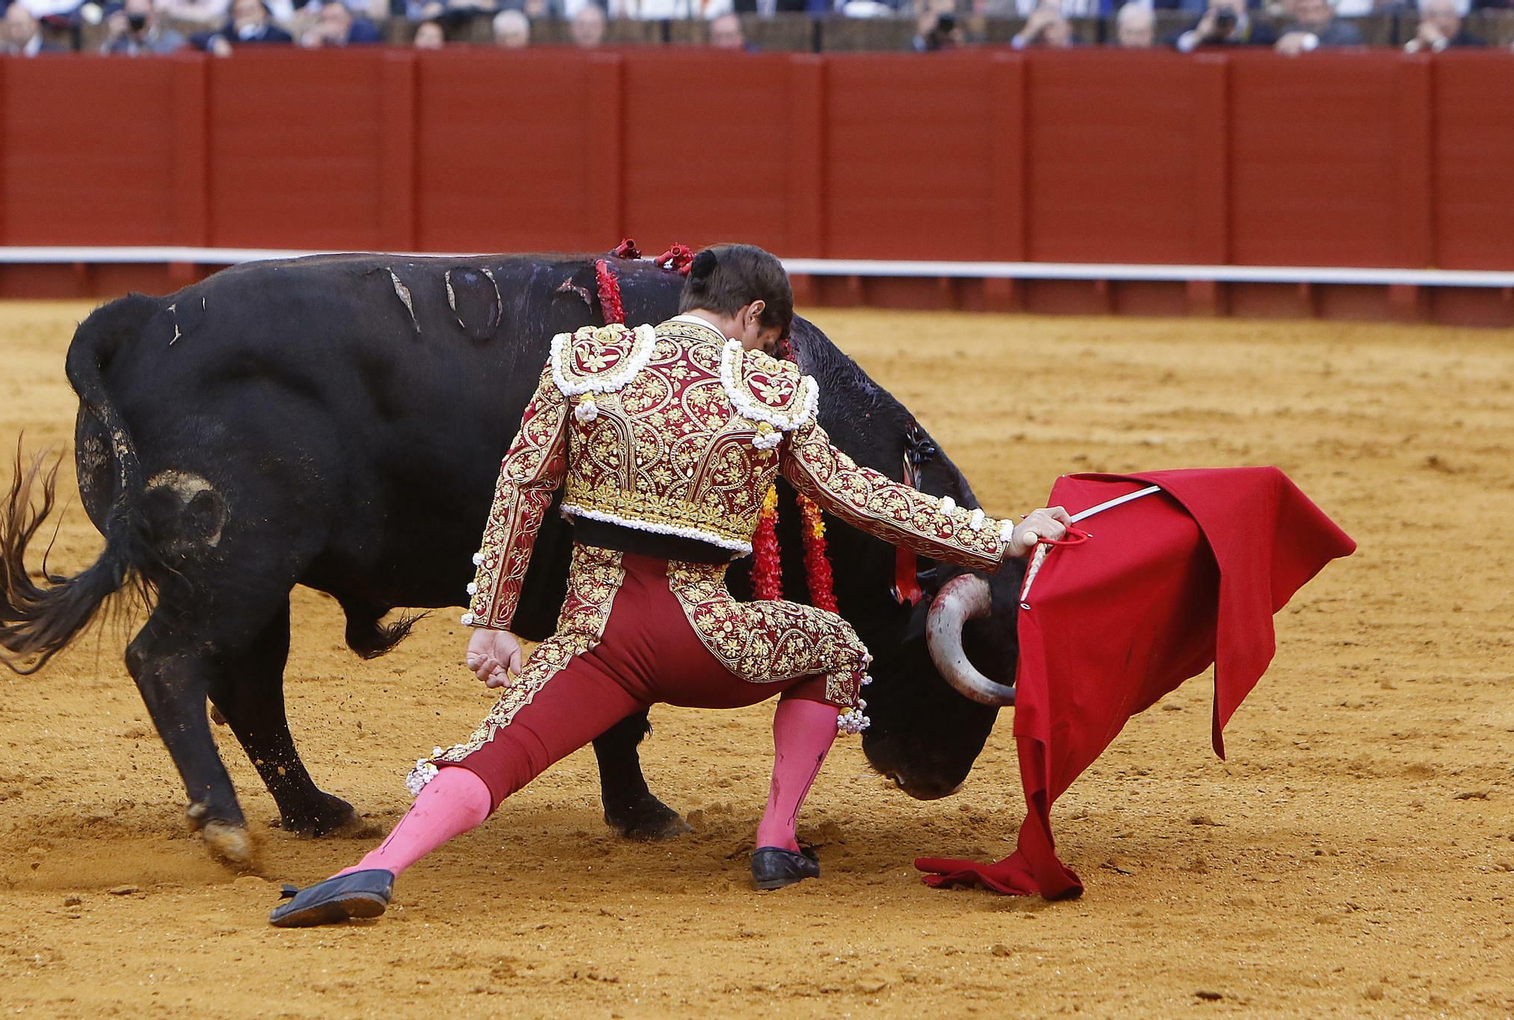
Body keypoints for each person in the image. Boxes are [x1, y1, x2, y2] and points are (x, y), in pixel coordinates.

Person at [269, 244, 1071, 927]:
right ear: (752, 316)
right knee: (836, 646)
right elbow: (860, 498)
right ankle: (777, 841)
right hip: (708, 638)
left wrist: (493, 618)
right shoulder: (768, 393)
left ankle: (376, 866)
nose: (771, 355)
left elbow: (521, 484)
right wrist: (999, 536)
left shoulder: (585, 362)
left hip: (596, 640)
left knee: (497, 754)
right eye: (772, 339)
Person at [192, 0, 292, 53]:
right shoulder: (229, 32)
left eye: (251, 10)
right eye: (240, 11)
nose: (246, 15)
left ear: (263, 12)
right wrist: (216, 42)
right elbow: (197, 36)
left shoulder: (278, 35)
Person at [1173, 0, 1275, 49]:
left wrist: (1238, 33)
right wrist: (1199, 35)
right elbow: (1173, 42)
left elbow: (1272, 44)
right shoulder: (1202, 24)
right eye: (1219, 6)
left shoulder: (1259, 29)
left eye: (1230, 6)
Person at [101, 0, 187, 54]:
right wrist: (111, 39)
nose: (136, 20)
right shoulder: (119, 42)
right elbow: (100, 66)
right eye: (132, 14)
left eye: (141, 15)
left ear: (152, 15)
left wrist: (148, 38)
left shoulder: (170, 40)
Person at [1273, 0, 1362, 52]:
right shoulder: (1289, 32)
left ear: (1329, 11)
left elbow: (1339, 58)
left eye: (1317, 9)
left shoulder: (1347, 32)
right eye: (1304, 11)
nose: (1310, 17)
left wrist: (1308, 41)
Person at [1404, 0, 1484, 49]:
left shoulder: (1475, 45)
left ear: (1457, 19)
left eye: (1447, 15)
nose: (1441, 21)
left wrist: (1438, 40)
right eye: (1433, 15)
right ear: (1423, 19)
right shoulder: (1411, 41)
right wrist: (1418, 43)